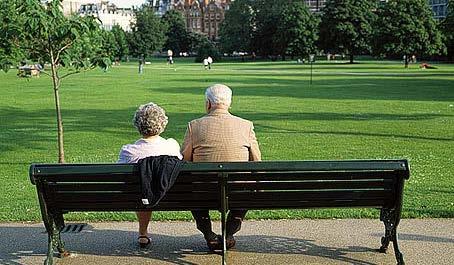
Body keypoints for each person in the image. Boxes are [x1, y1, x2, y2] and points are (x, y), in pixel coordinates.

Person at [181, 84, 262, 251]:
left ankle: (209, 234)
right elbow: (256, 160)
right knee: (247, 186)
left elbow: (185, 160)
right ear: (229, 103)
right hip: (237, 192)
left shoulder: (194, 126)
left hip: (203, 192)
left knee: (190, 187)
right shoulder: (246, 125)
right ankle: (229, 233)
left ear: (208, 104)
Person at [118, 102, 182, 248]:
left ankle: (143, 232)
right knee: (145, 186)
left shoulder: (128, 151)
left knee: (143, 186)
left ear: (137, 124)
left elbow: (122, 178)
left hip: (141, 196)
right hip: (171, 194)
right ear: (162, 124)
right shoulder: (172, 146)